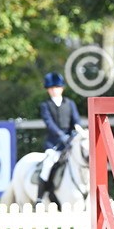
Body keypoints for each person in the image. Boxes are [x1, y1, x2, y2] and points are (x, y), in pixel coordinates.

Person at [38, 72, 82, 203]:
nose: (54, 91)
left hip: (70, 142)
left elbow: (76, 120)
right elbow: (49, 123)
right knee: (47, 166)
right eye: (51, 89)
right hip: (54, 143)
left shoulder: (70, 103)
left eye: (56, 88)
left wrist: (77, 131)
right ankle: (40, 197)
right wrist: (60, 135)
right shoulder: (45, 105)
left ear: (61, 88)